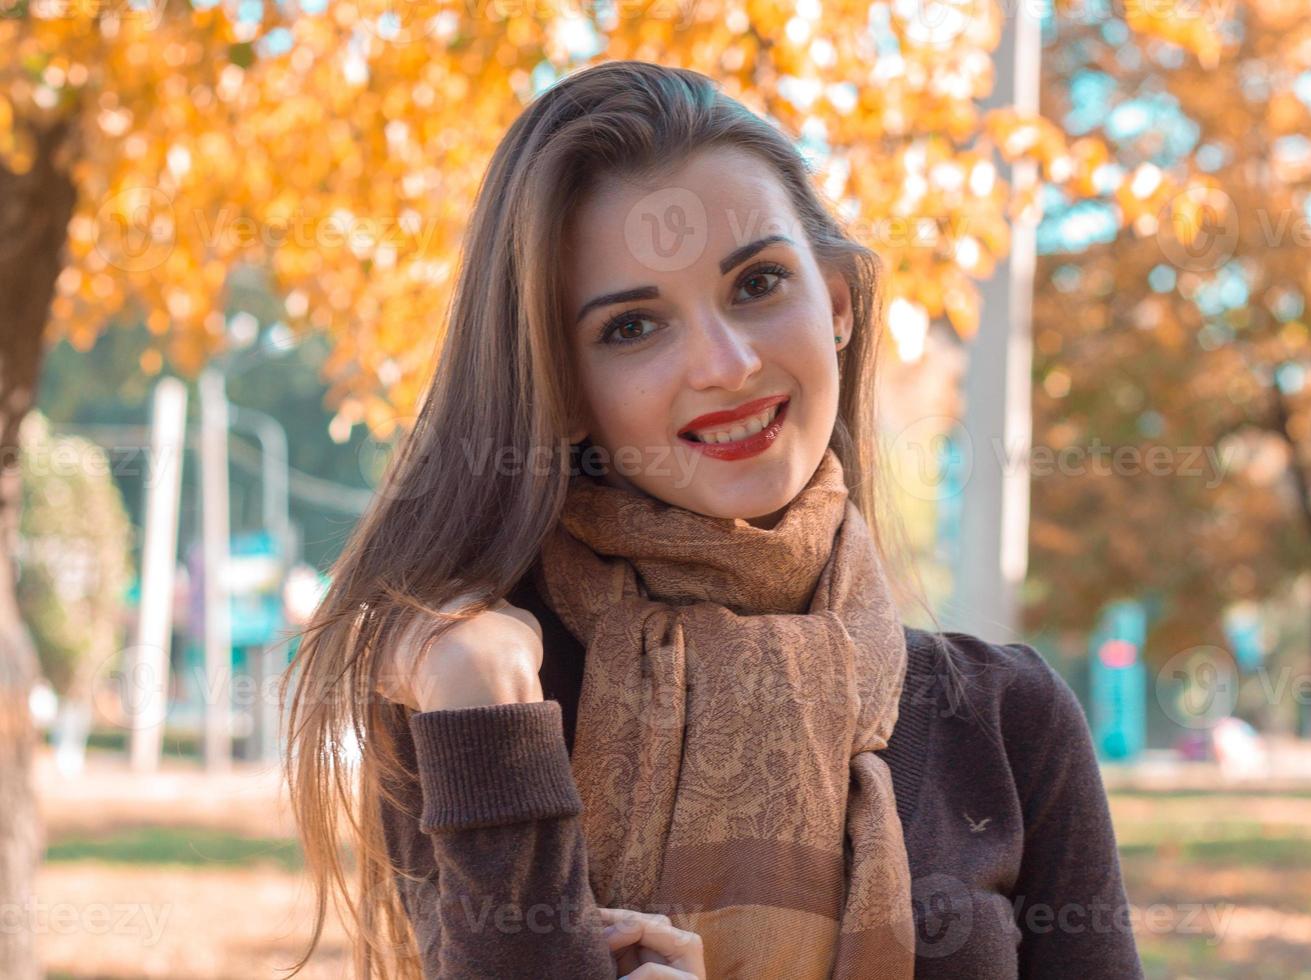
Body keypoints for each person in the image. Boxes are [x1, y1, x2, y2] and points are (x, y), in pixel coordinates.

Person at [280, 60, 1144, 980]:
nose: (726, 364)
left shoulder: (1009, 722)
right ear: (563, 391)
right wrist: (481, 718)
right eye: (632, 328)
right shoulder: (482, 699)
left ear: (839, 303)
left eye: (759, 283)